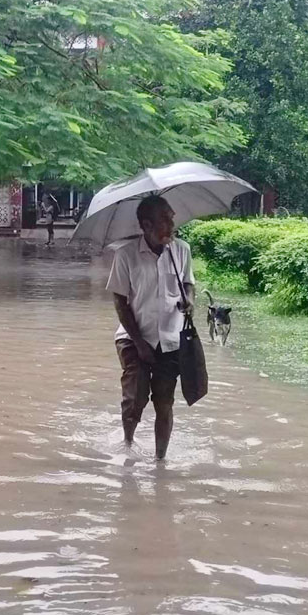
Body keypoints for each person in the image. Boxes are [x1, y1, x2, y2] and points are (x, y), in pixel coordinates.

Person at [106, 194, 195, 459]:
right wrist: (140, 343)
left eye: (171, 218)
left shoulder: (182, 250)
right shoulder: (125, 256)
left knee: (164, 402)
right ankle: (128, 444)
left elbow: (189, 284)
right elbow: (120, 303)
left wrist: (188, 300)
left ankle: (160, 460)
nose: (172, 224)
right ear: (146, 225)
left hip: (171, 339)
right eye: (165, 220)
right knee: (135, 398)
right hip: (133, 338)